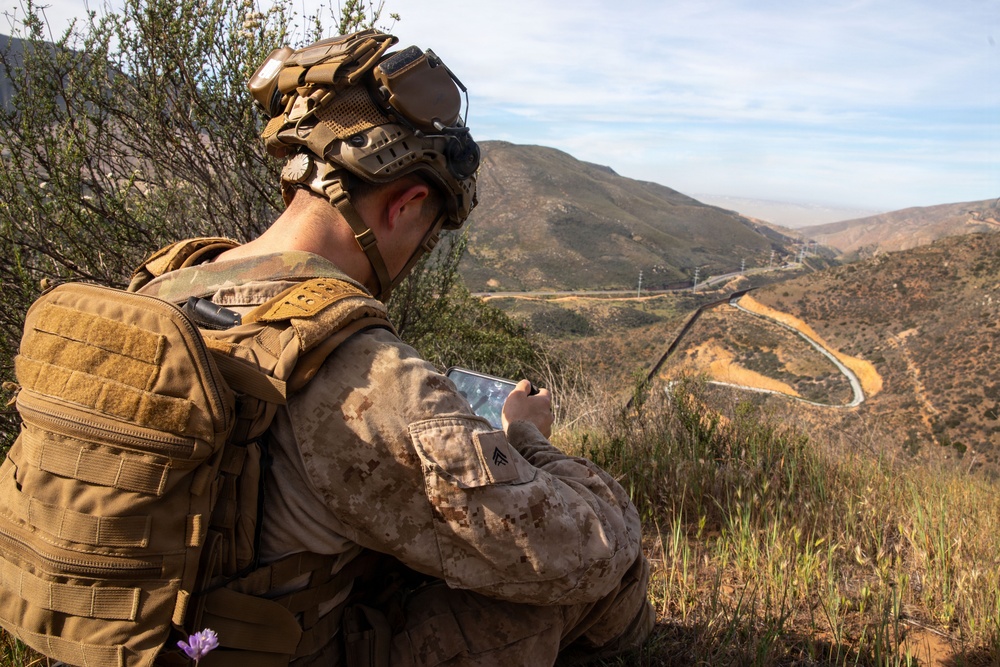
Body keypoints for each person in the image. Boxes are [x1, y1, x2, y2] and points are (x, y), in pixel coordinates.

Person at [136, 29, 652, 666]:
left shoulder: (161, 289)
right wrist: (527, 439)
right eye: (428, 234)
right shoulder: (357, 372)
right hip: (265, 648)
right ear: (408, 204)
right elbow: (587, 547)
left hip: (146, 639)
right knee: (600, 581)